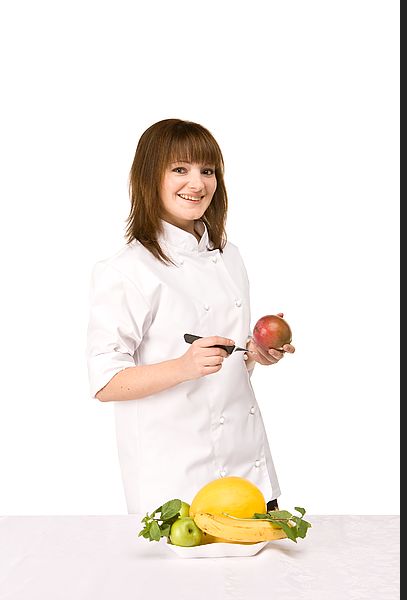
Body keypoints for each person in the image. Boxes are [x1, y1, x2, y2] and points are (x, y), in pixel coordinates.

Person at [86, 119, 295, 515]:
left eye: (207, 170)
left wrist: (254, 354)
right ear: (149, 177)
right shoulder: (126, 270)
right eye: (180, 169)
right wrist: (184, 366)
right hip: (176, 480)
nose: (197, 184)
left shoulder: (228, 256)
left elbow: (226, 365)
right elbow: (106, 383)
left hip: (251, 473)